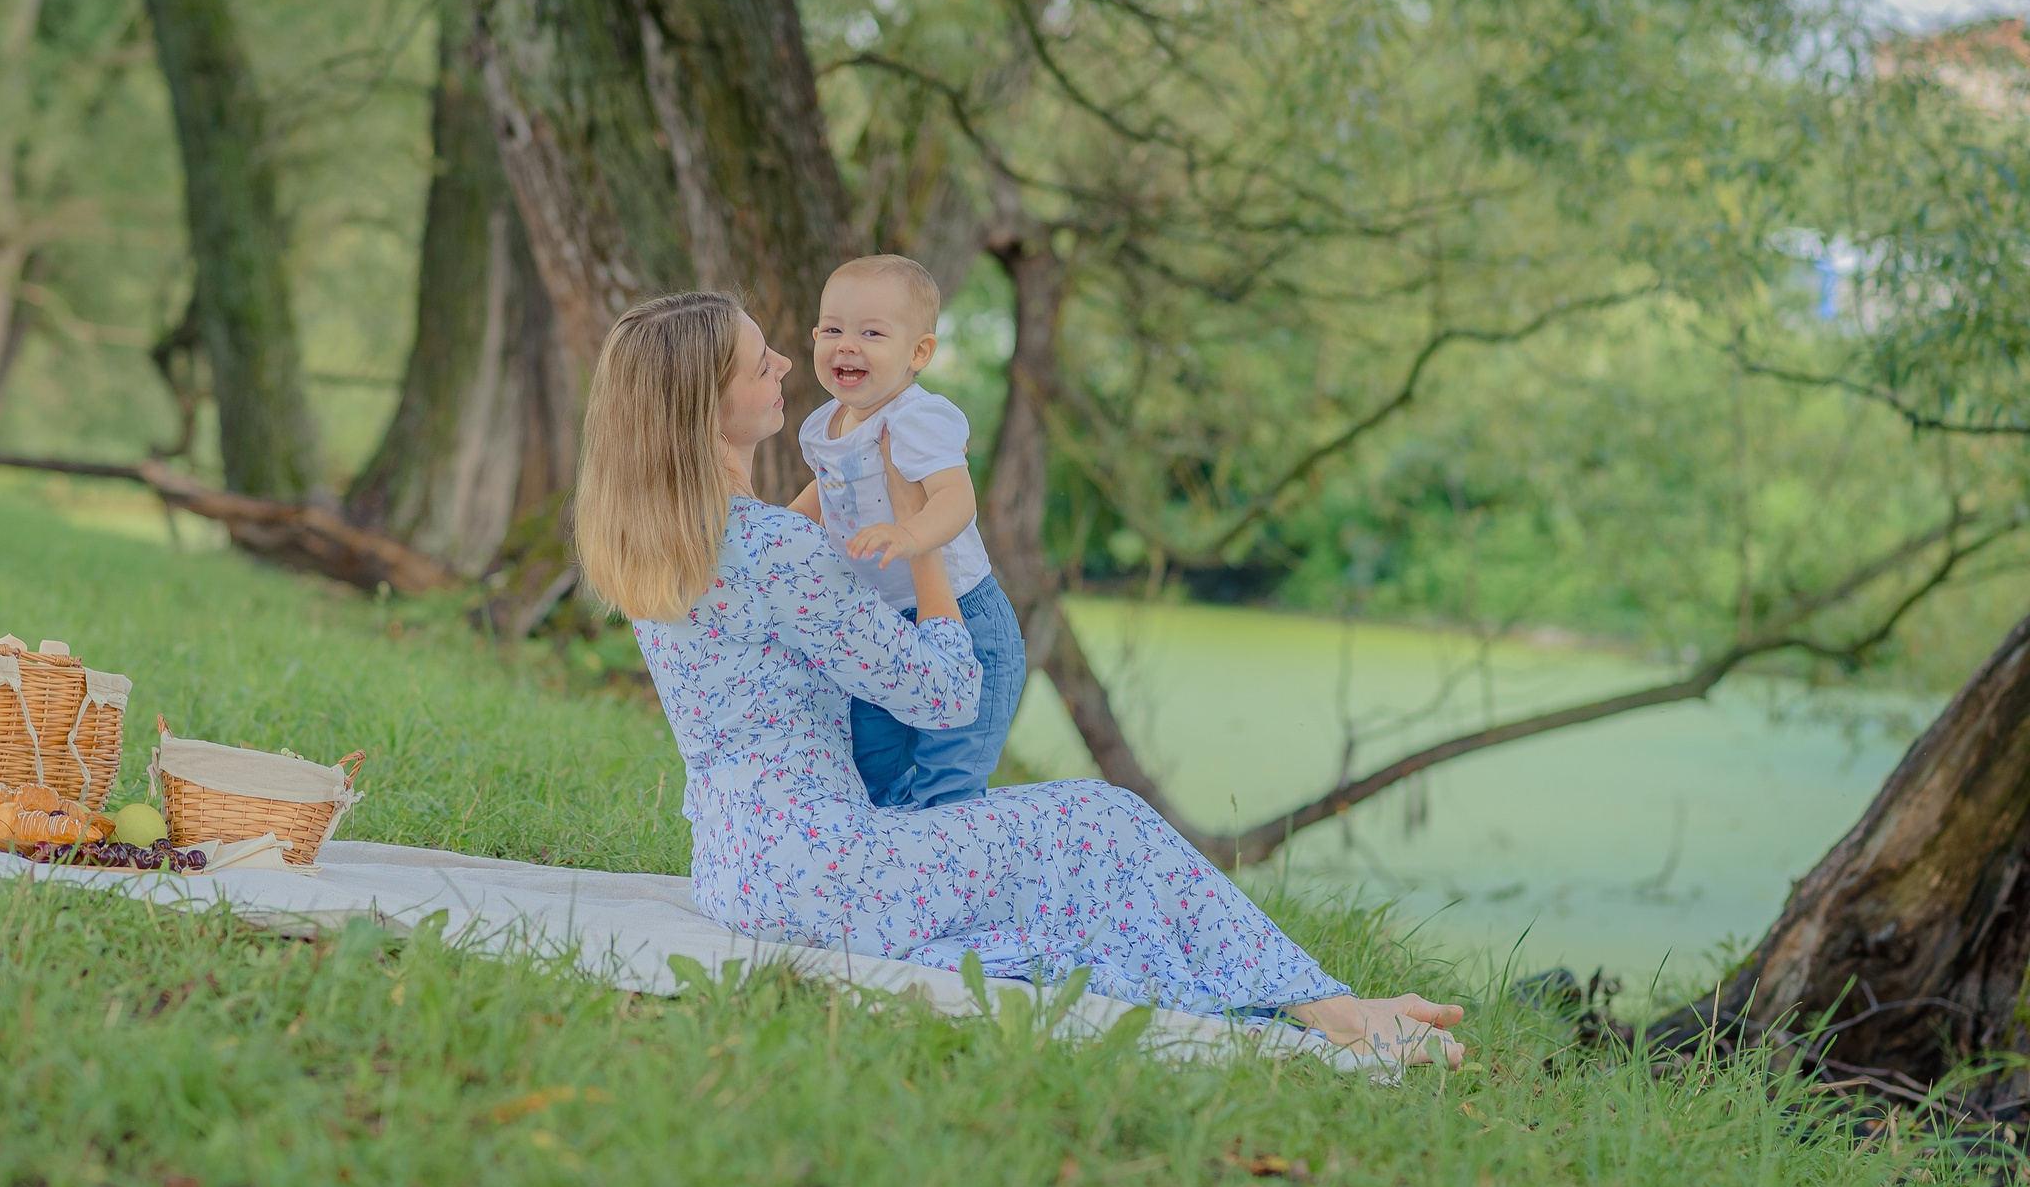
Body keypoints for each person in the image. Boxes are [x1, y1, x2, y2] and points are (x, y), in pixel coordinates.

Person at [572, 288, 1465, 1065]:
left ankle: (1315, 1000)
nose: (780, 362)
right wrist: (924, 541)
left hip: (735, 871)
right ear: (706, 406)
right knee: (1104, 818)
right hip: (827, 875)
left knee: (1054, 863)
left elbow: (789, 564)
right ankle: (1335, 1013)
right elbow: (945, 693)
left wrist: (852, 491)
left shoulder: (653, 548)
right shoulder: (773, 549)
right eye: (755, 360)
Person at [787, 254, 1024, 810]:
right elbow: (825, 490)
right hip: (879, 625)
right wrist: (775, 531)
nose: (847, 346)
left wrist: (911, 536)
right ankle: (892, 857)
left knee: (950, 778)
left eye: (872, 333)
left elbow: (956, 497)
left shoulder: (917, 418)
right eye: (833, 330)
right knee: (870, 767)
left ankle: (959, 859)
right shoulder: (824, 423)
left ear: (918, 352)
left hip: (965, 619)